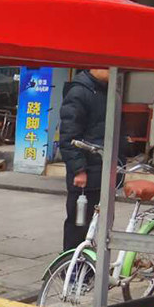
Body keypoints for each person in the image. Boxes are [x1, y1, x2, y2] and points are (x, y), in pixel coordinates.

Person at [59, 68, 110, 251]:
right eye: (109, 67)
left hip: (103, 170)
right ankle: (71, 264)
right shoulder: (79, 92)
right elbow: (68, 136)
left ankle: (90, 263)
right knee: (78, 225)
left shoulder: (106, 91)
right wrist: (79, 170)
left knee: (97, 224)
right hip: (86, 173)